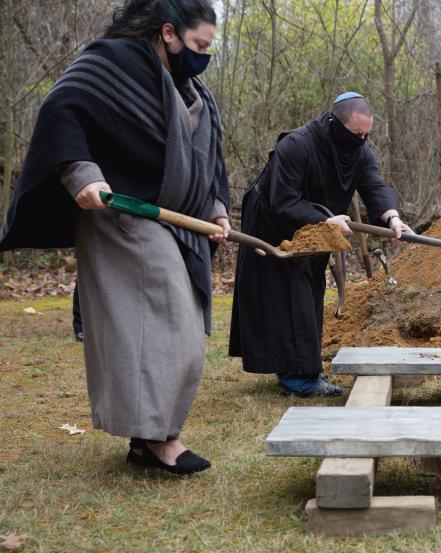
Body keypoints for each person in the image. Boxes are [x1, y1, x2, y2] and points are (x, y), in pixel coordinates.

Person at [0, 0, 230, 474]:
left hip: (177, 223)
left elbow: (206, 162)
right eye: (198, 45)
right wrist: (81, 173)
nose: (204, 56)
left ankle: (150, 440)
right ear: (169, 33)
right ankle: (158, 439)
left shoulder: (195, 92)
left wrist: (217, 210)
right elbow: (63, 109)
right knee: (157, 333)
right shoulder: (112, 62)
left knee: (179, 334)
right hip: (121, 213)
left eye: (209, 48)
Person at [229, 93, 411, 396]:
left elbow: (374, 185)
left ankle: (300, 370)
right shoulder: (297, 145)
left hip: (319, 222)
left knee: (307, 288)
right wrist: (326, 220)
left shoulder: (360, 151)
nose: (362, 140)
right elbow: (283, 200)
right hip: (272, 220)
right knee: (280, 293)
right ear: (334, 123)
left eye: (367, 134)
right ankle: (299, 378)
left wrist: (391, 217)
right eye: (356, 134)